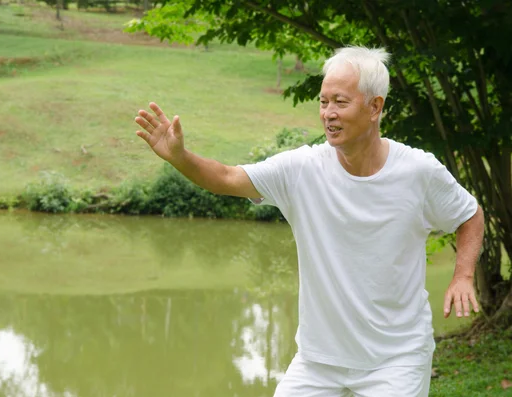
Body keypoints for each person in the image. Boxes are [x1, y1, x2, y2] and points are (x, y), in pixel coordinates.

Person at [134, 46, 484, 396]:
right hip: (319, 362)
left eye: (340, 102)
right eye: (323, 101)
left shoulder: (417, 172)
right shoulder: (301, 170)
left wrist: (463, 274)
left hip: (396, 359)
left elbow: (469, 214)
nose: (328, 114)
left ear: (374, 107)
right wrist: (180, 158)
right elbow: (226, 177)